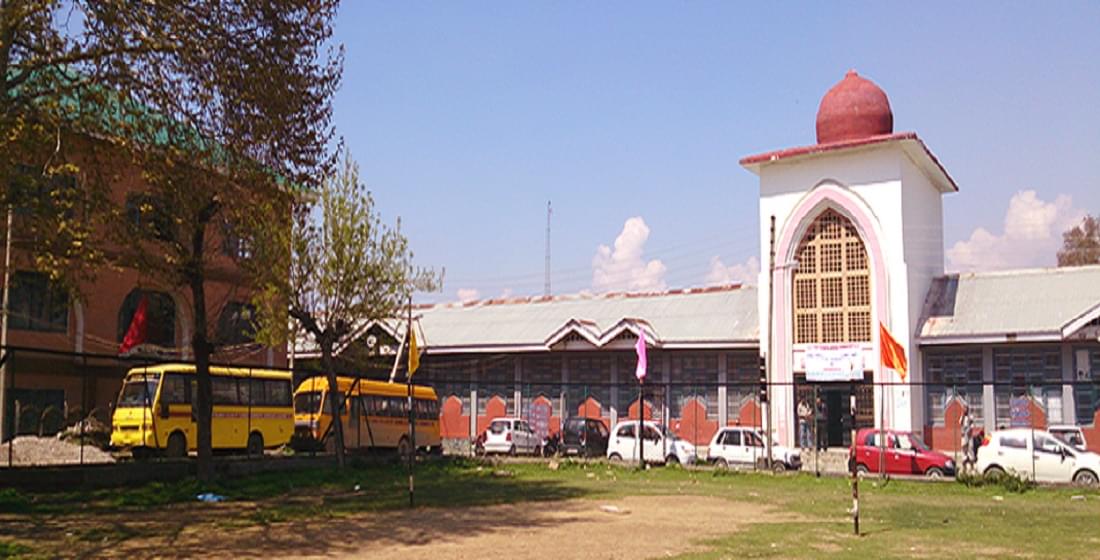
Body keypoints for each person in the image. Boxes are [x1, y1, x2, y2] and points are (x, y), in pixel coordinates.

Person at [959, 403, 974, 473]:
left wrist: (969, 431)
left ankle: (972, 466)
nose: (965, 410)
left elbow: (972, 425)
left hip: (969, 435)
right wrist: (962, 415)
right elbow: (960, 423)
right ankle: (964, 467)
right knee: (963, 449)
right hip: (963, 435)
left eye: (966, 408)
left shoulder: (970, 416)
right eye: (964, 408)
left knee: (970, 449)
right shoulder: (962, 416)